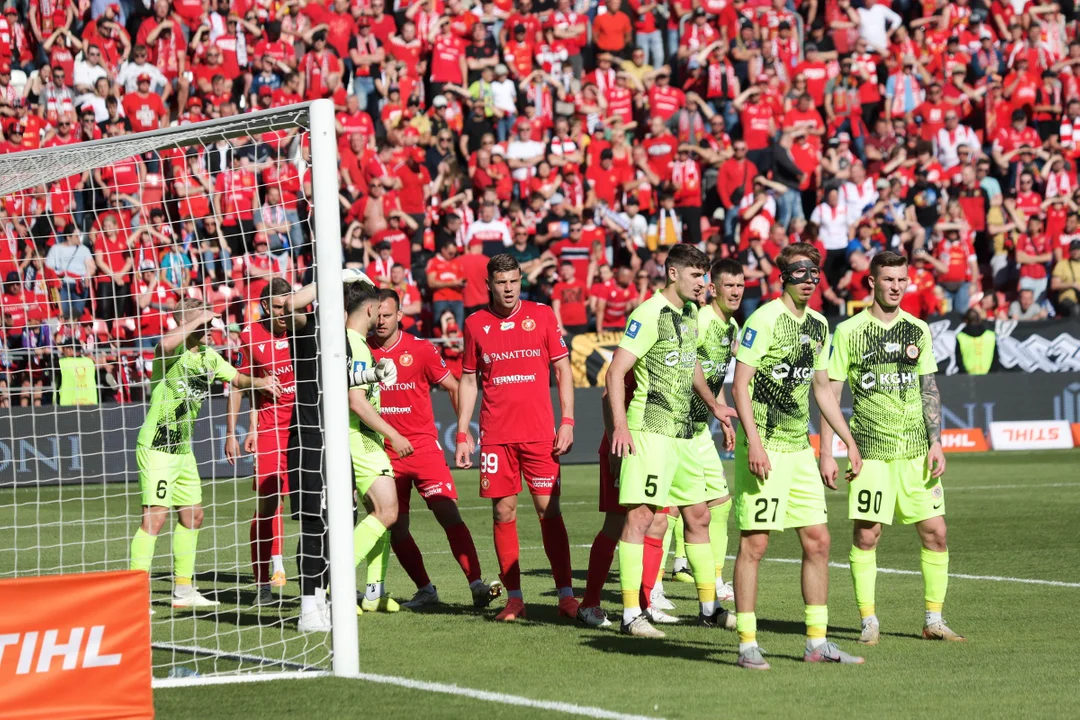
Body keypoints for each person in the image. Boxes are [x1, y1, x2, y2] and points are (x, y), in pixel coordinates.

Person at [730, 242, 864, 670]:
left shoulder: (821, 324)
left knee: (819, 542)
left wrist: (845, 441)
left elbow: (822, 389)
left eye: (815, 272)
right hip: (765, 449)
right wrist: (752, 440)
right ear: (783, 276)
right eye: (801, 272)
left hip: (800, 450)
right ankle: (747, 643)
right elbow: (740, 385)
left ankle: (817, 643)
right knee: (755, 544)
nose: (810, 279)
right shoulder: (764, 319)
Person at [822, 251, 965, 645]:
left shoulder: (917, 329)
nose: (896, 286)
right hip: (870, 453)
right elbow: (830, 394)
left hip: (916, 451)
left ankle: (933, 619)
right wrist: (828, 450)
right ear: (872, 282)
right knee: (867, 536)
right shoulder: (850, 331)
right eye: (888, 280)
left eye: (902, 280)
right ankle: (869, 620)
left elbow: (929, 389)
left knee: (936, 533)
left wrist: (937, 442)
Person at [605, 244, 738, 638]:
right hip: (650, 431)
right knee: (642, 518)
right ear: (672, 274)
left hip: (684, 434)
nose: (704, 283)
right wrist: (620, 427)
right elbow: (615, 373)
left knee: (698, 517)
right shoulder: (648, 314)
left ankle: (709, 608)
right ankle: (632, 614)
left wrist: (713, 403)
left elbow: (690, 361)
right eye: (697, 275)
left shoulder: (690, 313)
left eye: (704, 275)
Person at [129, 298, 281, 609]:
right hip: (157, 447)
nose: (211, 329)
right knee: (155, 519)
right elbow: (163, 343)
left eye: (210, 324)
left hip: (183, 451)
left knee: (194, 516)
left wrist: (260, 381)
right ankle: (131, 595)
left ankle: (183, 590)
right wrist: (195, 320)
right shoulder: (171, 355)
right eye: (205, 324)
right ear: (188, 323)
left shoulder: (210, 358)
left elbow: (237, 378)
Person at [454, 253, 577, 622]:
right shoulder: (475, 324)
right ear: (489, 284)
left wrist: (567, 419)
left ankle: (567, 595)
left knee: (548, 511)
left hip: (540, 435)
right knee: (503, 511)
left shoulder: (541, 315)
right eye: (501, 282)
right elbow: (470, 379)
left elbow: (562, 370)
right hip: (496, 437)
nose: (508, 289)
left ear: (520, 280)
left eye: (514, 281)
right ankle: (515, 597)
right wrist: (462, 432)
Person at [368, 289, 502, 609]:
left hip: (424, 449)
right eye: (378, 315)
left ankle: (476, 585)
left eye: (389, 314)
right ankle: (426, 590)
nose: (382, 320)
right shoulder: (361, 350)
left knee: (448, 513)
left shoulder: (421, 349)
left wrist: (463, 434)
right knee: (395, 525)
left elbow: (455, 387)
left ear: (401, 315)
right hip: (383, 452)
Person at [225, 277, 296, 604]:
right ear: (266, 306)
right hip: (271, 431)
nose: (285, 314)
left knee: (314, 507)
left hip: (304, 432)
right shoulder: (250, 335)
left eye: (289, 306)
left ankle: (321, 580)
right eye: (280, 308)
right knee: (269, 506)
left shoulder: (302, 330)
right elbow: (239, 385)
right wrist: (234, 431)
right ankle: (263, 585)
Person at [345, 280, 414, 615]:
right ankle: (338, 585)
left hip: (359, 438)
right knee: (387, 511)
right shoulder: (356, 345)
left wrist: (372, 376)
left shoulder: (350, 343)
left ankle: (374, 592)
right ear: (370, 309)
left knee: (382, 513)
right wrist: (394, 435)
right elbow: (356, 403)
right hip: (359, 437)